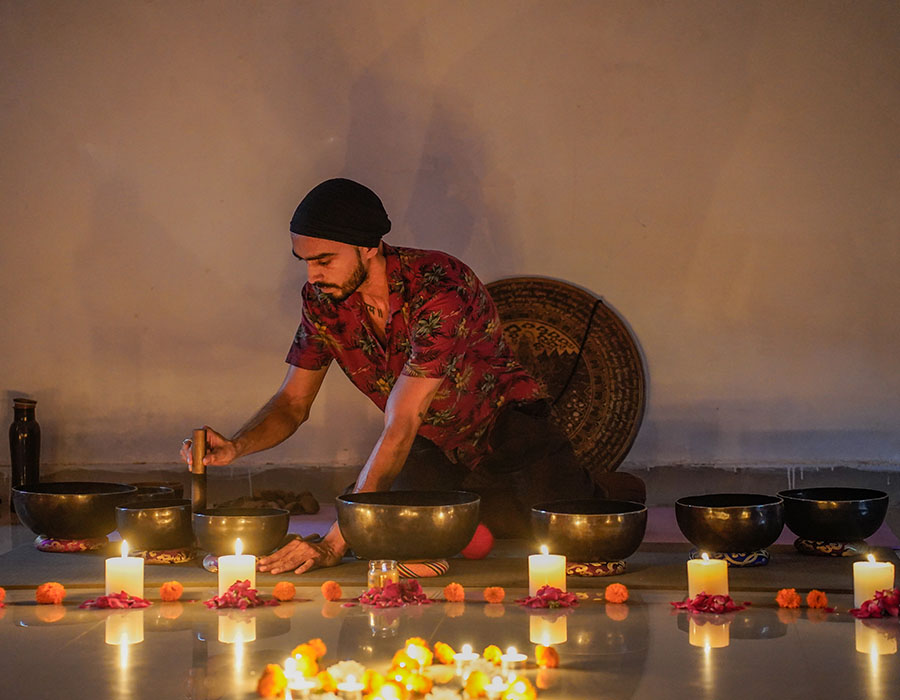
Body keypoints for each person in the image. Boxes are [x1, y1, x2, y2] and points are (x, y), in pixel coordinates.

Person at [181, 178, 594, 574]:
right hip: (430, 445)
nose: (312, 276)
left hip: (508, 430)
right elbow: (293, 403)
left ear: (369, 248)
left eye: (324, 260)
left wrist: (332, 542)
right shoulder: (323, 300)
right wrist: (237, 446)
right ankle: (486, 508)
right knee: (389, 538)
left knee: (574, 537)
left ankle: (601, 488)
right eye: (305, 262)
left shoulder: (438, 287)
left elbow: (400, 422)